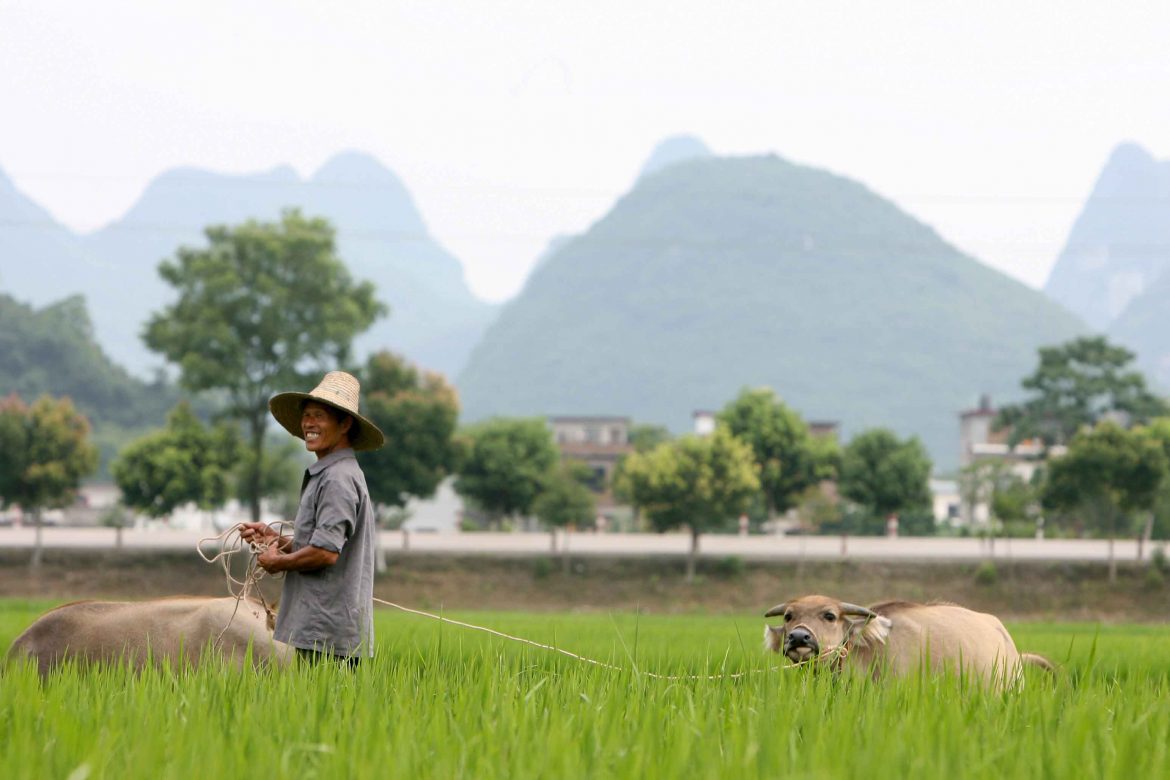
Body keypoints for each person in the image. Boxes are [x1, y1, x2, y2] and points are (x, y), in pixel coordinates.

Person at [240, 371, 385, 665]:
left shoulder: (338, 479)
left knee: (326, 707)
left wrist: (277, 561)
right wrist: (276, 540)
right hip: (323, 628)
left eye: (319, 415)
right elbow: (320, 545)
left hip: (328, 632)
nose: (308, 423)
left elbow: (325, 553)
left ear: (344, 423)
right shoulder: (330, 474)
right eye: (306, 416)